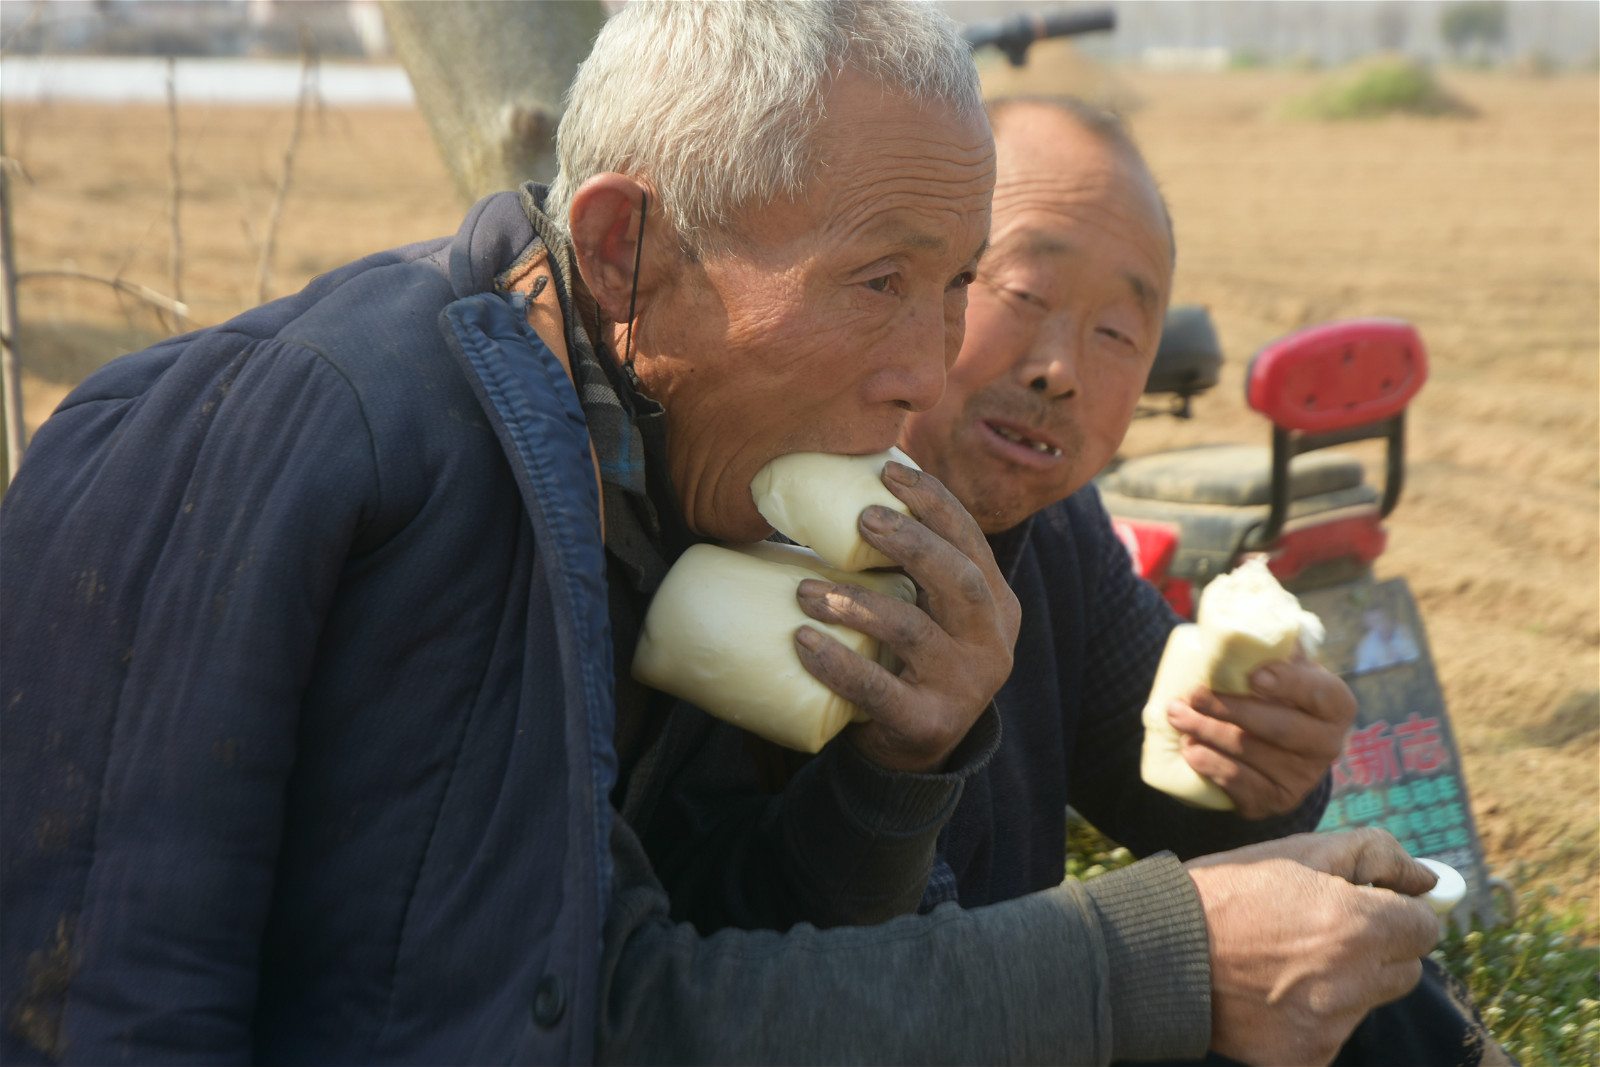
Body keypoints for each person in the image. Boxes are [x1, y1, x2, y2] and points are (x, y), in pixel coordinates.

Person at [0, 4, 1438, 1064]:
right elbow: (586, 1011)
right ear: (630, 250)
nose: (937, 370)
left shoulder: (659, 484)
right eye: (878, 281)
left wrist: (897, 764)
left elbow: (717, 928)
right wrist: (1160, 957)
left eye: (949, 287)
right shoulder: (419, 451)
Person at [636, 95, 1503, 1066]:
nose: (1058, 370)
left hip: (1044, 1012)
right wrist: (894, 767)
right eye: (1021, 293)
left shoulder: (1059, 529)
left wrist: (1263, 777)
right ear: (918, 283)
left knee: (1372, 999)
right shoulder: (766, 541)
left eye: (1116, 334)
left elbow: (1157, 775)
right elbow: (748, 953)